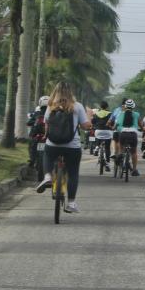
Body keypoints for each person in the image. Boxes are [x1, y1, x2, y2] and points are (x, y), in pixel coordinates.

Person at [35, 82, 93, 213]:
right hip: (72, 146)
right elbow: (85, 126)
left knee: (48, 155)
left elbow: (46, 126)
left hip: (53, 144)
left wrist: (46, 136)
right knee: (73, 173)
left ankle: (48, 176)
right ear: (70, 92)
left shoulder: (51, 106)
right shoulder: (77, 106)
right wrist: (89, 115)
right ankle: (71, 203)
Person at [114, 99, 141, 176]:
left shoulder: (121, 114)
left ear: (125, 106)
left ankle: (120, 155)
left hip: (123, 134)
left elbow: (116, 125)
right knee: (134, 152)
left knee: (121, 148)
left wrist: (114, 128)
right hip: (133, 134)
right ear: (133, 107)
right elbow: (140, 125)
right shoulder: (136, 114)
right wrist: (143, 129)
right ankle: (134, 170)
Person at [27, 95, 49, 170]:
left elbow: (29, 122)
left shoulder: (37, 113)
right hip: (48, 135)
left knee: (31, 144)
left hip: (36, 135)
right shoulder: (52, 112)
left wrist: (31, 123)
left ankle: (32, 160)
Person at [92, 101, 113, 170]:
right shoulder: (110, 114)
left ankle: (97, 147)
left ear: (100, 107)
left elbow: (93, 122)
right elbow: (112, 122)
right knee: (107, 148)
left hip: (98, 131)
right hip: (107, 131)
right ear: (107, 107)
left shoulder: (96, 114)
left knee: (97, 135)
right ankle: (107, 163)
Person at [108, 98, 126, 164]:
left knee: (114, 139)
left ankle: (114, 152)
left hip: (117, 130)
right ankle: (124, 156)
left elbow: (111, 120)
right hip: (128, 132)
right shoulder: (132, 112)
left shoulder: (117, 110)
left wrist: (110, 126)